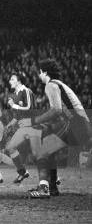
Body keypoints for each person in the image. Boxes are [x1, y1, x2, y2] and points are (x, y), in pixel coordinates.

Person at [18, 59, 92, 198]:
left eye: (39, 72)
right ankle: (51, 187)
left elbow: (56, 110)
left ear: (44, 72)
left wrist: (32, 121)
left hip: (78, 125)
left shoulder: (50, 85)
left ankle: (44, 188)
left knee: (42, 150)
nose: (38, 75)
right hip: (81, 124)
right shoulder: (59, 84)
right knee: (47, 147)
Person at [2, 72, 38, 183]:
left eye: (12, 79)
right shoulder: (16, 94)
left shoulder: (26, 91)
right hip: (23, 127)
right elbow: (17, 116)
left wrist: (14, 105)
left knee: (38, 154)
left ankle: (52, 178)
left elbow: (29, 107)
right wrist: (8, 126)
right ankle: (22, 172)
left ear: (19, 81)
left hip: (32, 126)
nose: (10, 81)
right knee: (10, 148)